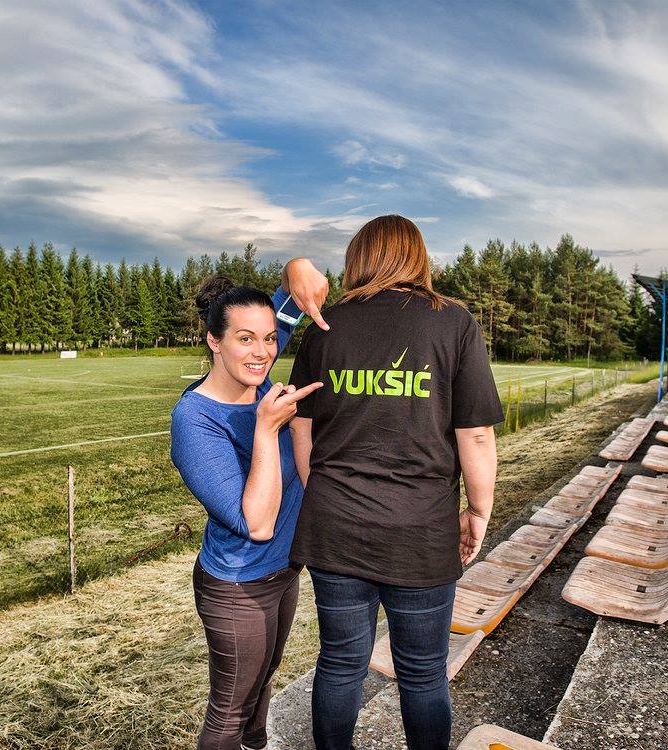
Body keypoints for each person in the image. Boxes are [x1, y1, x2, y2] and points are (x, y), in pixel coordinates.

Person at [288, 215, 503, 750]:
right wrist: (479, 511)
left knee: (340, 663)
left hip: (336, 526)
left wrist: (324, 492)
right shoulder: (453, 323)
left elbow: (300, 425)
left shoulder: (327, 326)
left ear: (358, 259)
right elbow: (476, 434)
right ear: (417, 257)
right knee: (423, 672)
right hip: (420, 528)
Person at [170, 258, 330, 750]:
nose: (262, 352)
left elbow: (294, 290)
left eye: (269, 338)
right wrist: (266, 428)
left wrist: (297, 266)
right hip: (237, 585)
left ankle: (256, 744)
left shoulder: (256, 380)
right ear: (214, 341)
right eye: (245, 339)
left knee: (262, 681)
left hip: (282, 573)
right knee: (229, 711)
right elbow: (256, 523)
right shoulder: (195, 420)